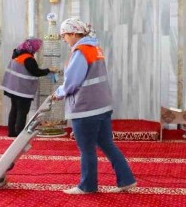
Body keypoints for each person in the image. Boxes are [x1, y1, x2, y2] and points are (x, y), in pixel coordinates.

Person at [52, 18, 137, 195]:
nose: (64, 40)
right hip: (102, 106)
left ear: (73, 33)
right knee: (107, 144)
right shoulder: (95, 48)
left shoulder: (81, 51)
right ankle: (127, 180)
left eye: (64, 35)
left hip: (86, 108)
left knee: (87, 149)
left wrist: (59, 93)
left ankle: (87, 186)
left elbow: (72, 81)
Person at [0, 37, 55, 137]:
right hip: (22, 90)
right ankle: (19, 134)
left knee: (14, 109)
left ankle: (11, 132)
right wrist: (49, 70)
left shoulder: (17, 55)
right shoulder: (28, 58)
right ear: (32, 47)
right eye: (37, 47)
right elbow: (36, 72)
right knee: (22, 111)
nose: (38, 50)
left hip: (13, 88)